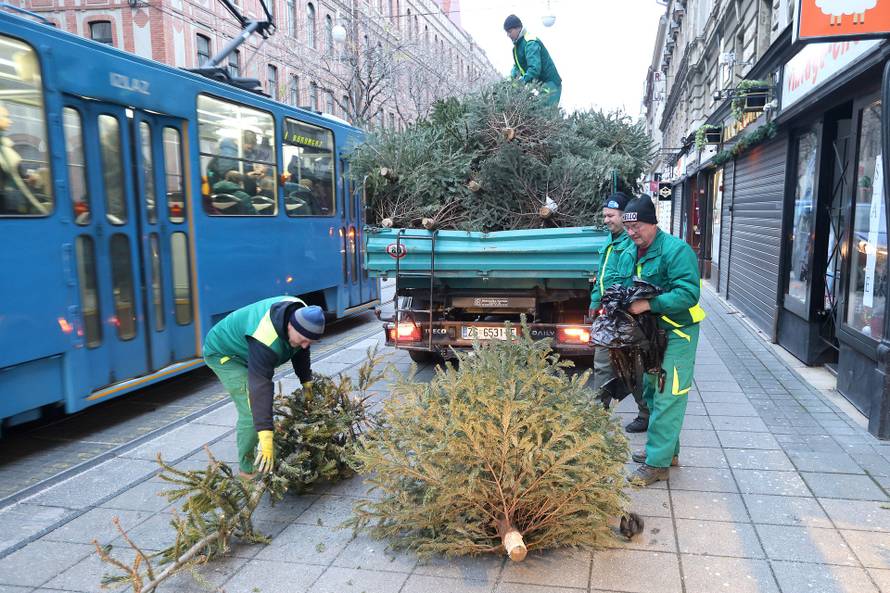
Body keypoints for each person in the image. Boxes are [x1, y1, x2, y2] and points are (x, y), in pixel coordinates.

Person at [622, 195, 706, 486]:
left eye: (638, 227)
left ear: (653, 223)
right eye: (628, 228)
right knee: (651, 390)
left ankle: (656, 464)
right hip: (650, 335)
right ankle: (667, 451)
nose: (632, 233)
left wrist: (648, 305)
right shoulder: (631, 250)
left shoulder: (676, 251)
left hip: (679, 331)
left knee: (668, 392)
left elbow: (688, 294)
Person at [202, 297, 326, 477]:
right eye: (303, 339)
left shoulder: (304, 314)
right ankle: (247, 470)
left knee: (261, 411)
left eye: (310, 342)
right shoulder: (265, 338)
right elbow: (260, 386)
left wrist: (306, 380)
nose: (305, 345)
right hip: (226, 354)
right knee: (252, 410)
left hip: (249, 349)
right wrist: (266, 435)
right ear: (290, 326)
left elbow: (301, 351)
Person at [589, 191, 650, 433]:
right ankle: (596, 413)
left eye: (611, 215)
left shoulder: (631, 244)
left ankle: (646, 413)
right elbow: (602, 275)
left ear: (625, 217)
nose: (606, 220)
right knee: (603, 362)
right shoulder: (610, 241)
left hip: (627, 315)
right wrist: (596, 300)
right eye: (604, 215)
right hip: (609, 313)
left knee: (633, 367)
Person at [503, 14, 562, 106]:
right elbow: (517, 67)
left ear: (518, 28)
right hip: (540, 85)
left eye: (510, 31)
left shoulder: (530, 43)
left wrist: (520, 83)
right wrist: (508, 83)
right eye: (507, 32)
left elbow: (534, 69)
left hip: (551, 84)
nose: (508, 35)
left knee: (545, 114)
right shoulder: (517, 47)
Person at [0, 103, 47, 215]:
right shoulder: (4, 149)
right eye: (5, 117)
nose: (10, 121)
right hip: (6, 204)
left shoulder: (5, 146)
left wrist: (27, 179)